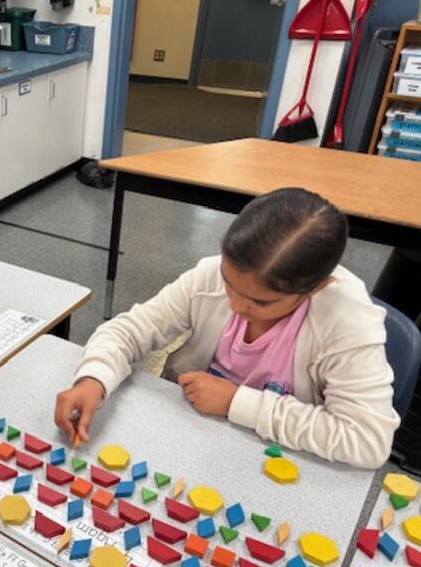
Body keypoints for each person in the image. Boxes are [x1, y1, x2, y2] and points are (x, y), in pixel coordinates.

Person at [54, 188, 400, 468]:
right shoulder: (210, 276)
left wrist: (237, 402)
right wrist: (94, 378)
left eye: (260, 302)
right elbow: (130, 330)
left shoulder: (346, 322)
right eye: (228, 282)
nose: (235, 304)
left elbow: (367, 441)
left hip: (272, 460)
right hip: (184, 437)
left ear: (315, 288)